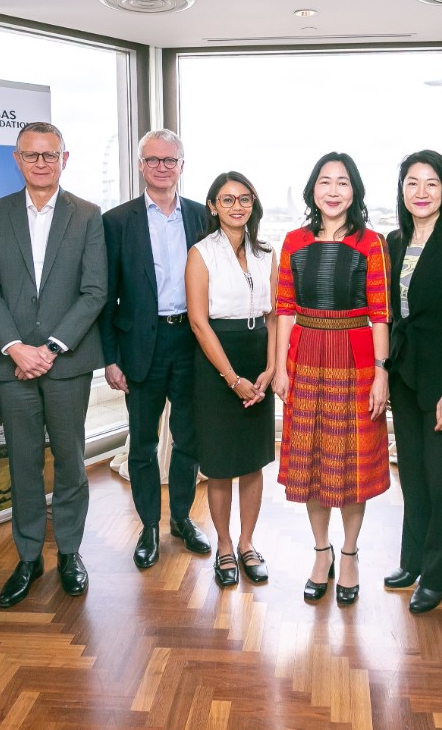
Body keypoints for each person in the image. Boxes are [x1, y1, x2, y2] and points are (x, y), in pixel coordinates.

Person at [0, 122, 107, 605]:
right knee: (23, 464)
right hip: (13, 366)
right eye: (31, 155)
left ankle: (69, 552)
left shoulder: (88, 214)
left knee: (71, 462)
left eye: (50, 155)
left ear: (64, 159)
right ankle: (28, 556)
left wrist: (50, 348)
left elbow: (95, 291)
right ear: (17, 160)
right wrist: (15, 347)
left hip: (66, 363)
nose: (41, 163)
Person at [272, 152, 391, 605]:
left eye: (343, 182)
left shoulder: (371, 242)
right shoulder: (293, 241)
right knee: (312, 459)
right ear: (313, 190)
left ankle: (350, 552)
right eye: (325, 181)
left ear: (354, 191)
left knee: (353, 461)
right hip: (305, 359)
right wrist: (280, 367)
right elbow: (285, 309)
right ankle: (321, 552)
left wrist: (381, 373)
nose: (334, 190)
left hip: (356, 361)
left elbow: (380, 314)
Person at [99, 129, 211, 570]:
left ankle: (181, 519)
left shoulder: (202, 216)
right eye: (153, 160)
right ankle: (148, 526)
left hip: (191, 341)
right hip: (139, 346)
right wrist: (110, 358)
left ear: (182, 166)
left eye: (170, 160)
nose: (161, 167)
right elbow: (106, 297)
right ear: (140, 165)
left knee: (189, 438)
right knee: (143, 443)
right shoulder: (116, 221)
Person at [383, 150, 442, 614]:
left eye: (431, 184)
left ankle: (437, 576)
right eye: (412, 183)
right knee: (413, 475)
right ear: (402, 190)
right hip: (404, 374)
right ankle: (412, 560)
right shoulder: (393, 241)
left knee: (441, 481)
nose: (421, 192)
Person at [185, 172, 278, 587]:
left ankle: (247, 542)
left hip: (258, 358)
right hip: (216, 362)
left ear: (253, 203)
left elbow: (275, 316)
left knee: (253, 462)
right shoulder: (201, 253)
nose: (236, 206)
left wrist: (270, 369)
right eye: (227, 199)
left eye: (243, 198)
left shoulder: (267, 252)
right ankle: (224, 545)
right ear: (213, 206)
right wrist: (232, 378)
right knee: (221, 464)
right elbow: (198, 322)